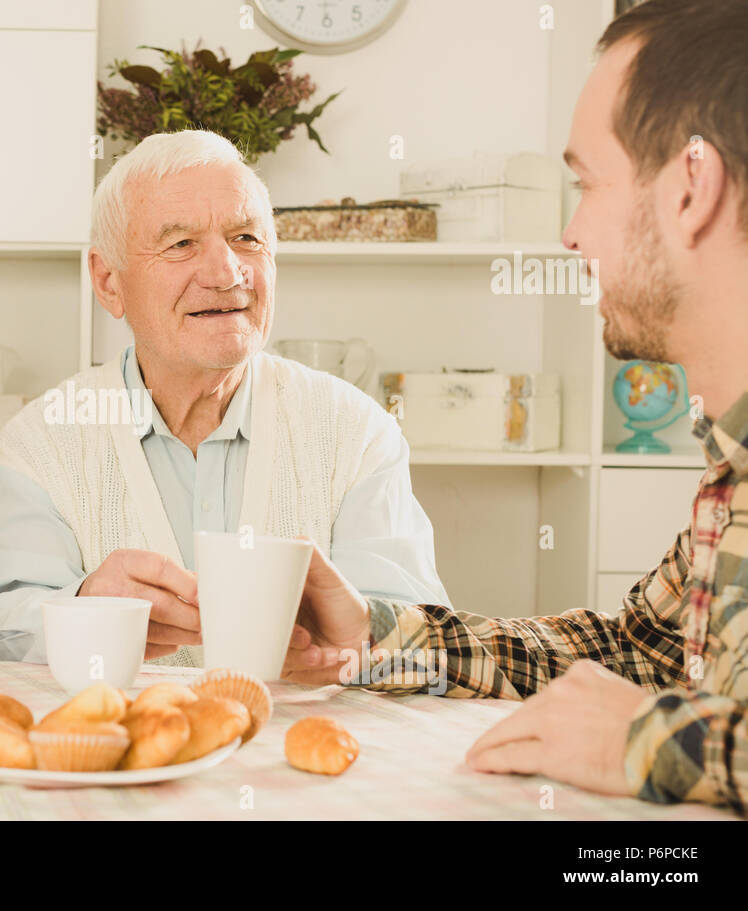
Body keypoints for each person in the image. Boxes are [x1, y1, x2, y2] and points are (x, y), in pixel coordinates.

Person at [290, 0, 748, 811]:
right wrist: (371, 631)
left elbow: (638, 709)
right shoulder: (732, 470)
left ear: (690, 186)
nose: (571, 235)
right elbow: (632, 651)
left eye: (587, 183)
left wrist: (646, 738)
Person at [0, 129, 449, 665]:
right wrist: (84, 611)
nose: (225, 273)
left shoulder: (358, 434)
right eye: (180, 244)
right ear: (108, 282)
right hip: (124, 745)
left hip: (298, 745)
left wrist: (359, 642)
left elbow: (420, 638)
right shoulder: (40, 443)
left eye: (246, 238)